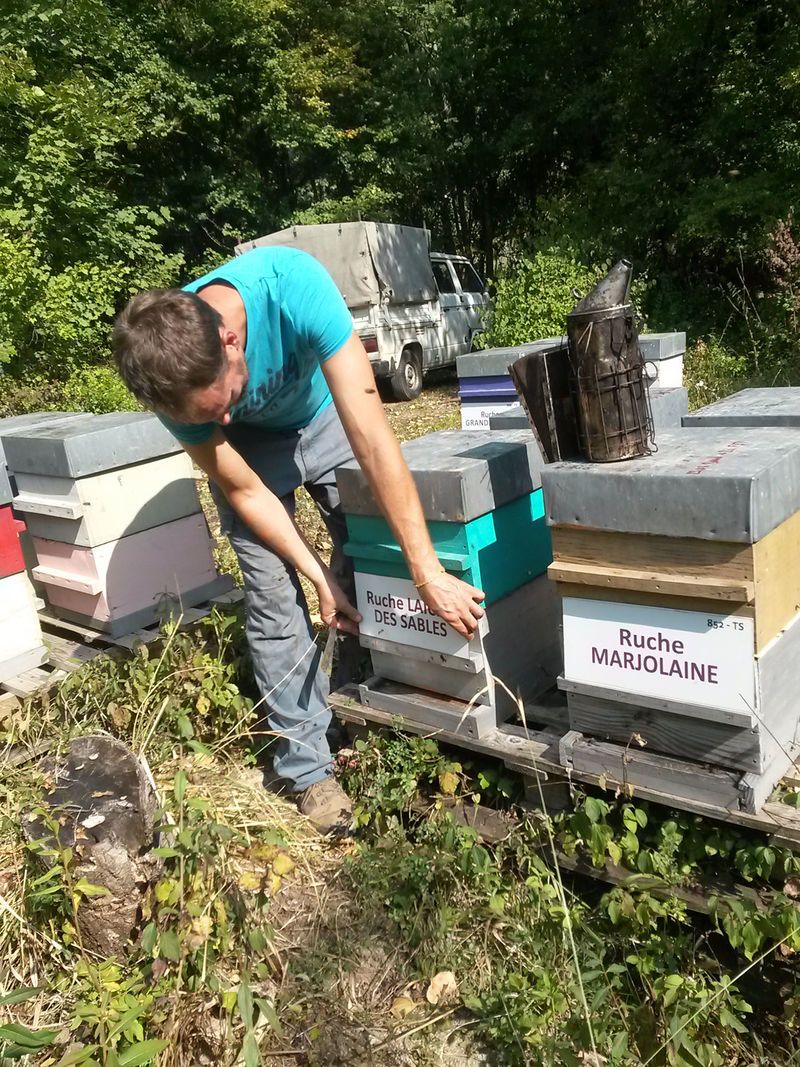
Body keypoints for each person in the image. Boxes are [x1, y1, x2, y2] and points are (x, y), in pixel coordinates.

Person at [113, 245, 485, 830]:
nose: (225, 418)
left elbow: (371, 434)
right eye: (210, 416)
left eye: (227, 399)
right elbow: (248, 493)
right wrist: (320, 582)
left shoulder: (295, 288)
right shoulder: (174, 384)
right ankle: (309, 770)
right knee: (273, 600)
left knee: (372, 551)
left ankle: (377, 691)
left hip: (327, 417)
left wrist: (427, 570)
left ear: (231, 340)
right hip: (254, 460)